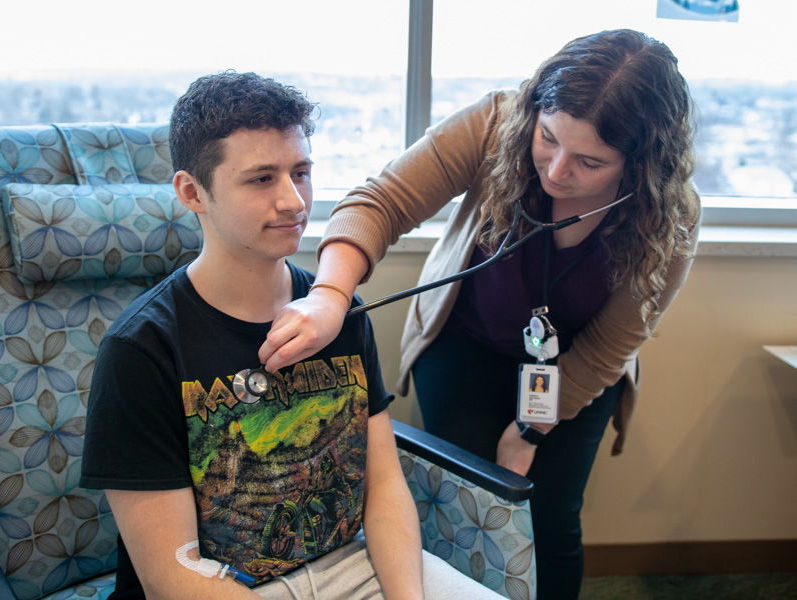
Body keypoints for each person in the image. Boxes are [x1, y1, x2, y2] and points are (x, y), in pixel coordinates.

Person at [258, 30, 701, 599]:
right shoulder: (497, 124)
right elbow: (381, 202)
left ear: (640, 166)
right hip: (464, 344)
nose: (558, 171)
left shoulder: (670, 217)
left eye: (590, 161)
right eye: (548, 139)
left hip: (576, 369)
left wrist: (526, 433)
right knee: (462, 507)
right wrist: (329, 296)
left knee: (548, 515)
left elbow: (609, 348)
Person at [80, 71, 505, 600]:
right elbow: (173, 576)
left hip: (350, 563)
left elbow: (383, 485)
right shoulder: (141, 350)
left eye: (300, 172)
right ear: (193, 192)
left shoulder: (339, 309)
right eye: (262, 179)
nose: (294, 201)